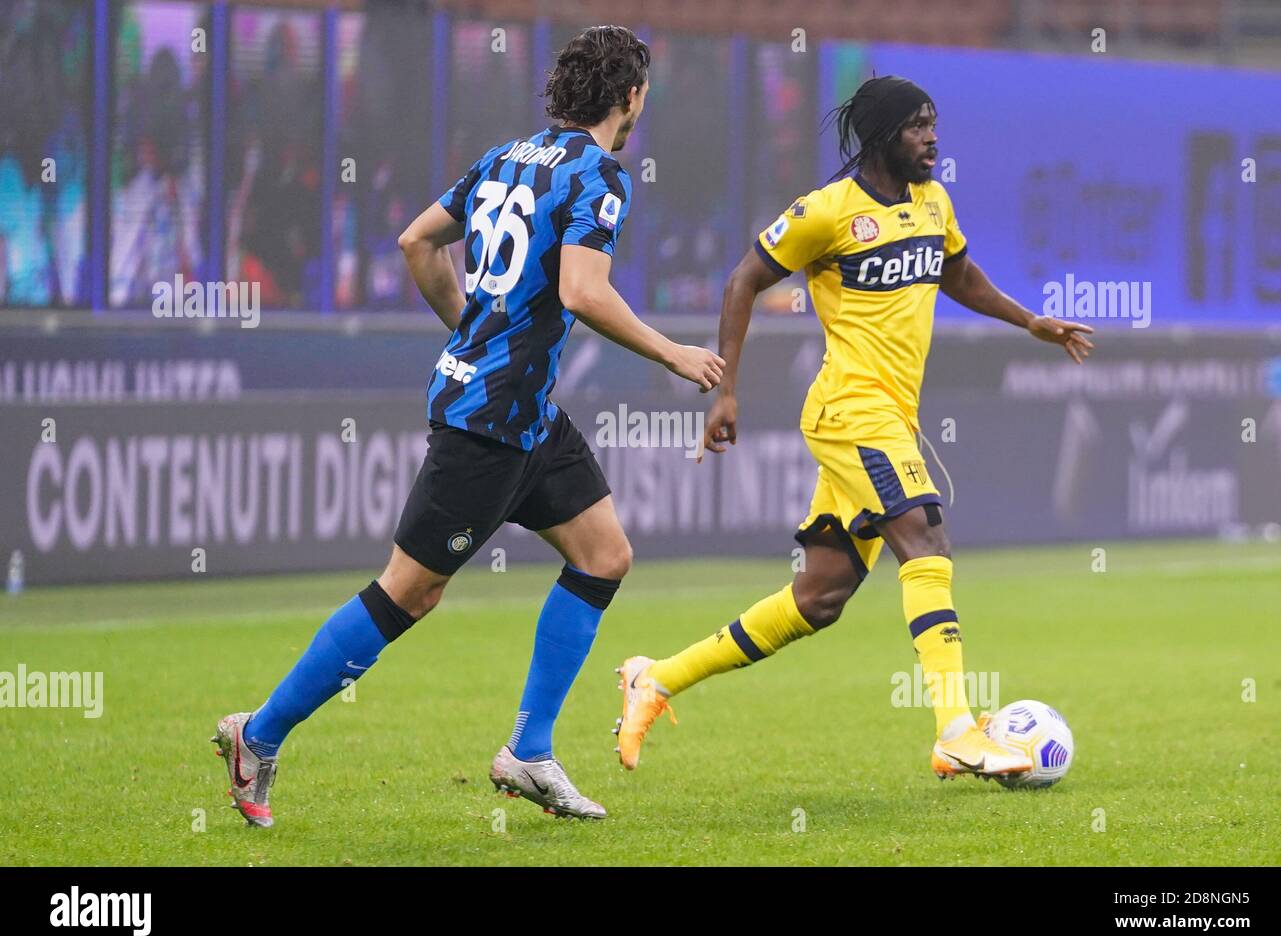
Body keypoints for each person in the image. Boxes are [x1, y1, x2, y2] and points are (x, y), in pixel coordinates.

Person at [214, 25, 724, 825]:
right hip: (488, 421)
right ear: (630, 96)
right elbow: (584, 292)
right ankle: (259, 733)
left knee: (603, 554)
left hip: (525, 414)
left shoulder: (506, 159)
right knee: (409, 594)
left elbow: (417, 241)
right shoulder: (601, 176)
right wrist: (671, 353)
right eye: (643, 91)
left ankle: (529, 749)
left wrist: (469, 329)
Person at [614, 76, 1093, 782]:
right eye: (917, 127)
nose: (932, 138)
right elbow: (742, 281)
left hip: (891, 416)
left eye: (934, 123)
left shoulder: (933, 202)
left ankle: (654, 679)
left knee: (821, 597)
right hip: (849, 411)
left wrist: (1031, 321)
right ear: (880, 138)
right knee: (925, 534)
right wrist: (726, 391)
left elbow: (956, 273)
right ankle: (956, 729)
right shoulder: (826, 212)